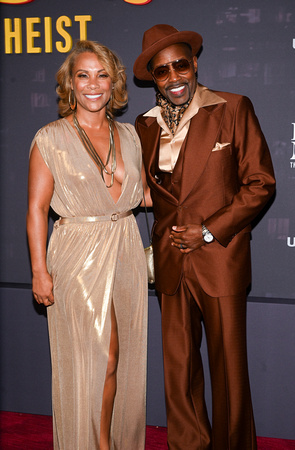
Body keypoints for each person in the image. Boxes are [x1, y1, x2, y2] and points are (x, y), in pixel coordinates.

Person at [133, 24, 276, 450]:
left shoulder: (232, 108)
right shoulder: (144, 125)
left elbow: (260, 183)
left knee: (228, 368)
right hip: (171, 260)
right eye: (162, 71)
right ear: (153, 79)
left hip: (220, 259)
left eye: (180, 64)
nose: (174, 76)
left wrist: (210, 230)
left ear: (194, 63)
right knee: (179, 370)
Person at [27, 40, 150, 450]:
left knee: (120, 360)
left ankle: (111, 440)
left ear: (114, 81)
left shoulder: (130, 135)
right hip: (77, 255)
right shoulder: (51, 138)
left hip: (126, 248)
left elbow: (147, 196)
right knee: (97, 360)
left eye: (102, 74)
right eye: (83, 75)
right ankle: (95, 444)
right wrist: (39, 271)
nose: (93, 84)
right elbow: (36, 209)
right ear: (71, 84)